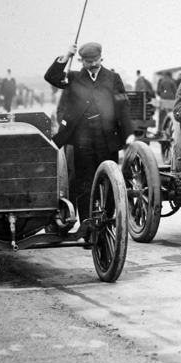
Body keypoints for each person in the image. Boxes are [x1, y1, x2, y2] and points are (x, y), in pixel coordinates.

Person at [44, 43, 132, 228]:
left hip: (107, 138)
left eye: (96, 61)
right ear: (81, 61)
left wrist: (128, 135)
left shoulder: (113, 78)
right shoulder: (74, 77)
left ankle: (107, 221)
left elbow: (123, 107)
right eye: (89, 62)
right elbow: (51, 77)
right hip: (82, 138)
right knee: (84, 183)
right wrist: (66, 56)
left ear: (102, 58)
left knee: (110, 182)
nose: (93, 65)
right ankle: (87, 226)